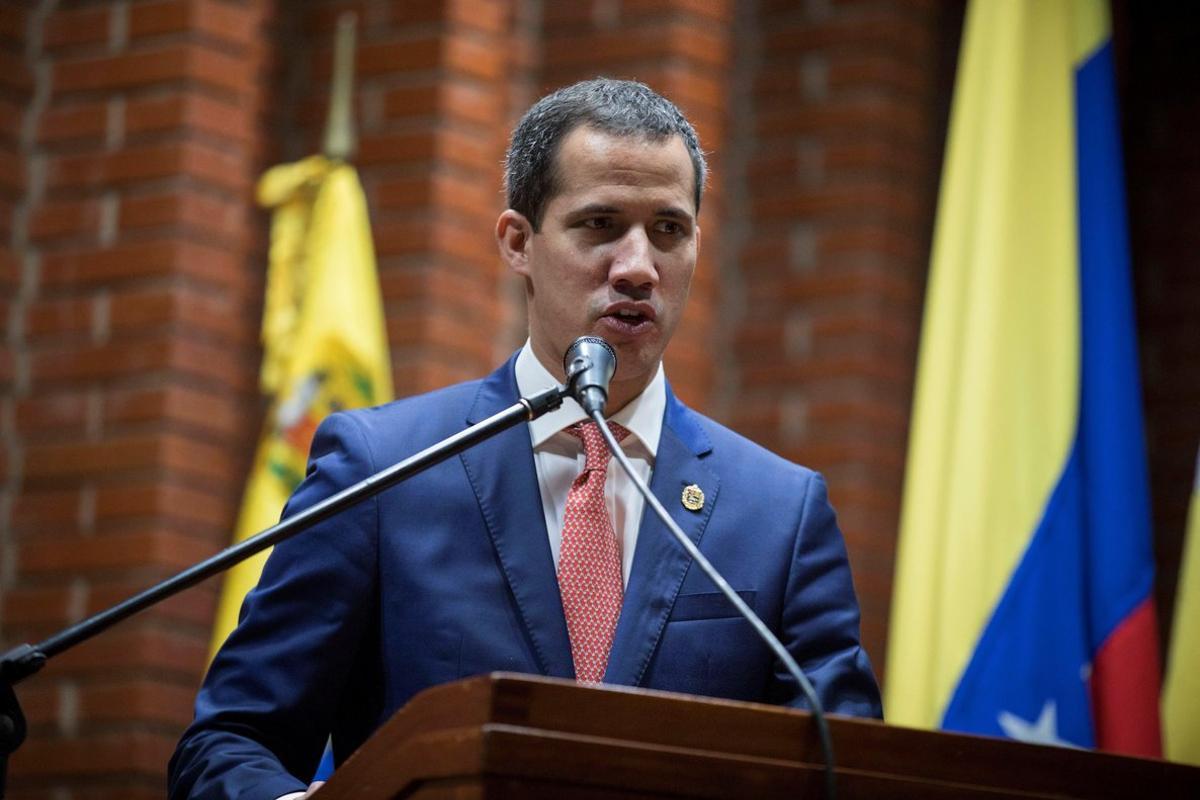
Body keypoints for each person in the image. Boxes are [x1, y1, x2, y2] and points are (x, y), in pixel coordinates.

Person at [169, 78, 882, 800]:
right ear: (518, 242)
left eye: (669, 230)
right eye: (600, 224)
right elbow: (230, 743)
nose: (638, 267)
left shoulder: (779, 513)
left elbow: (845, 767)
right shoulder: (383, 471)